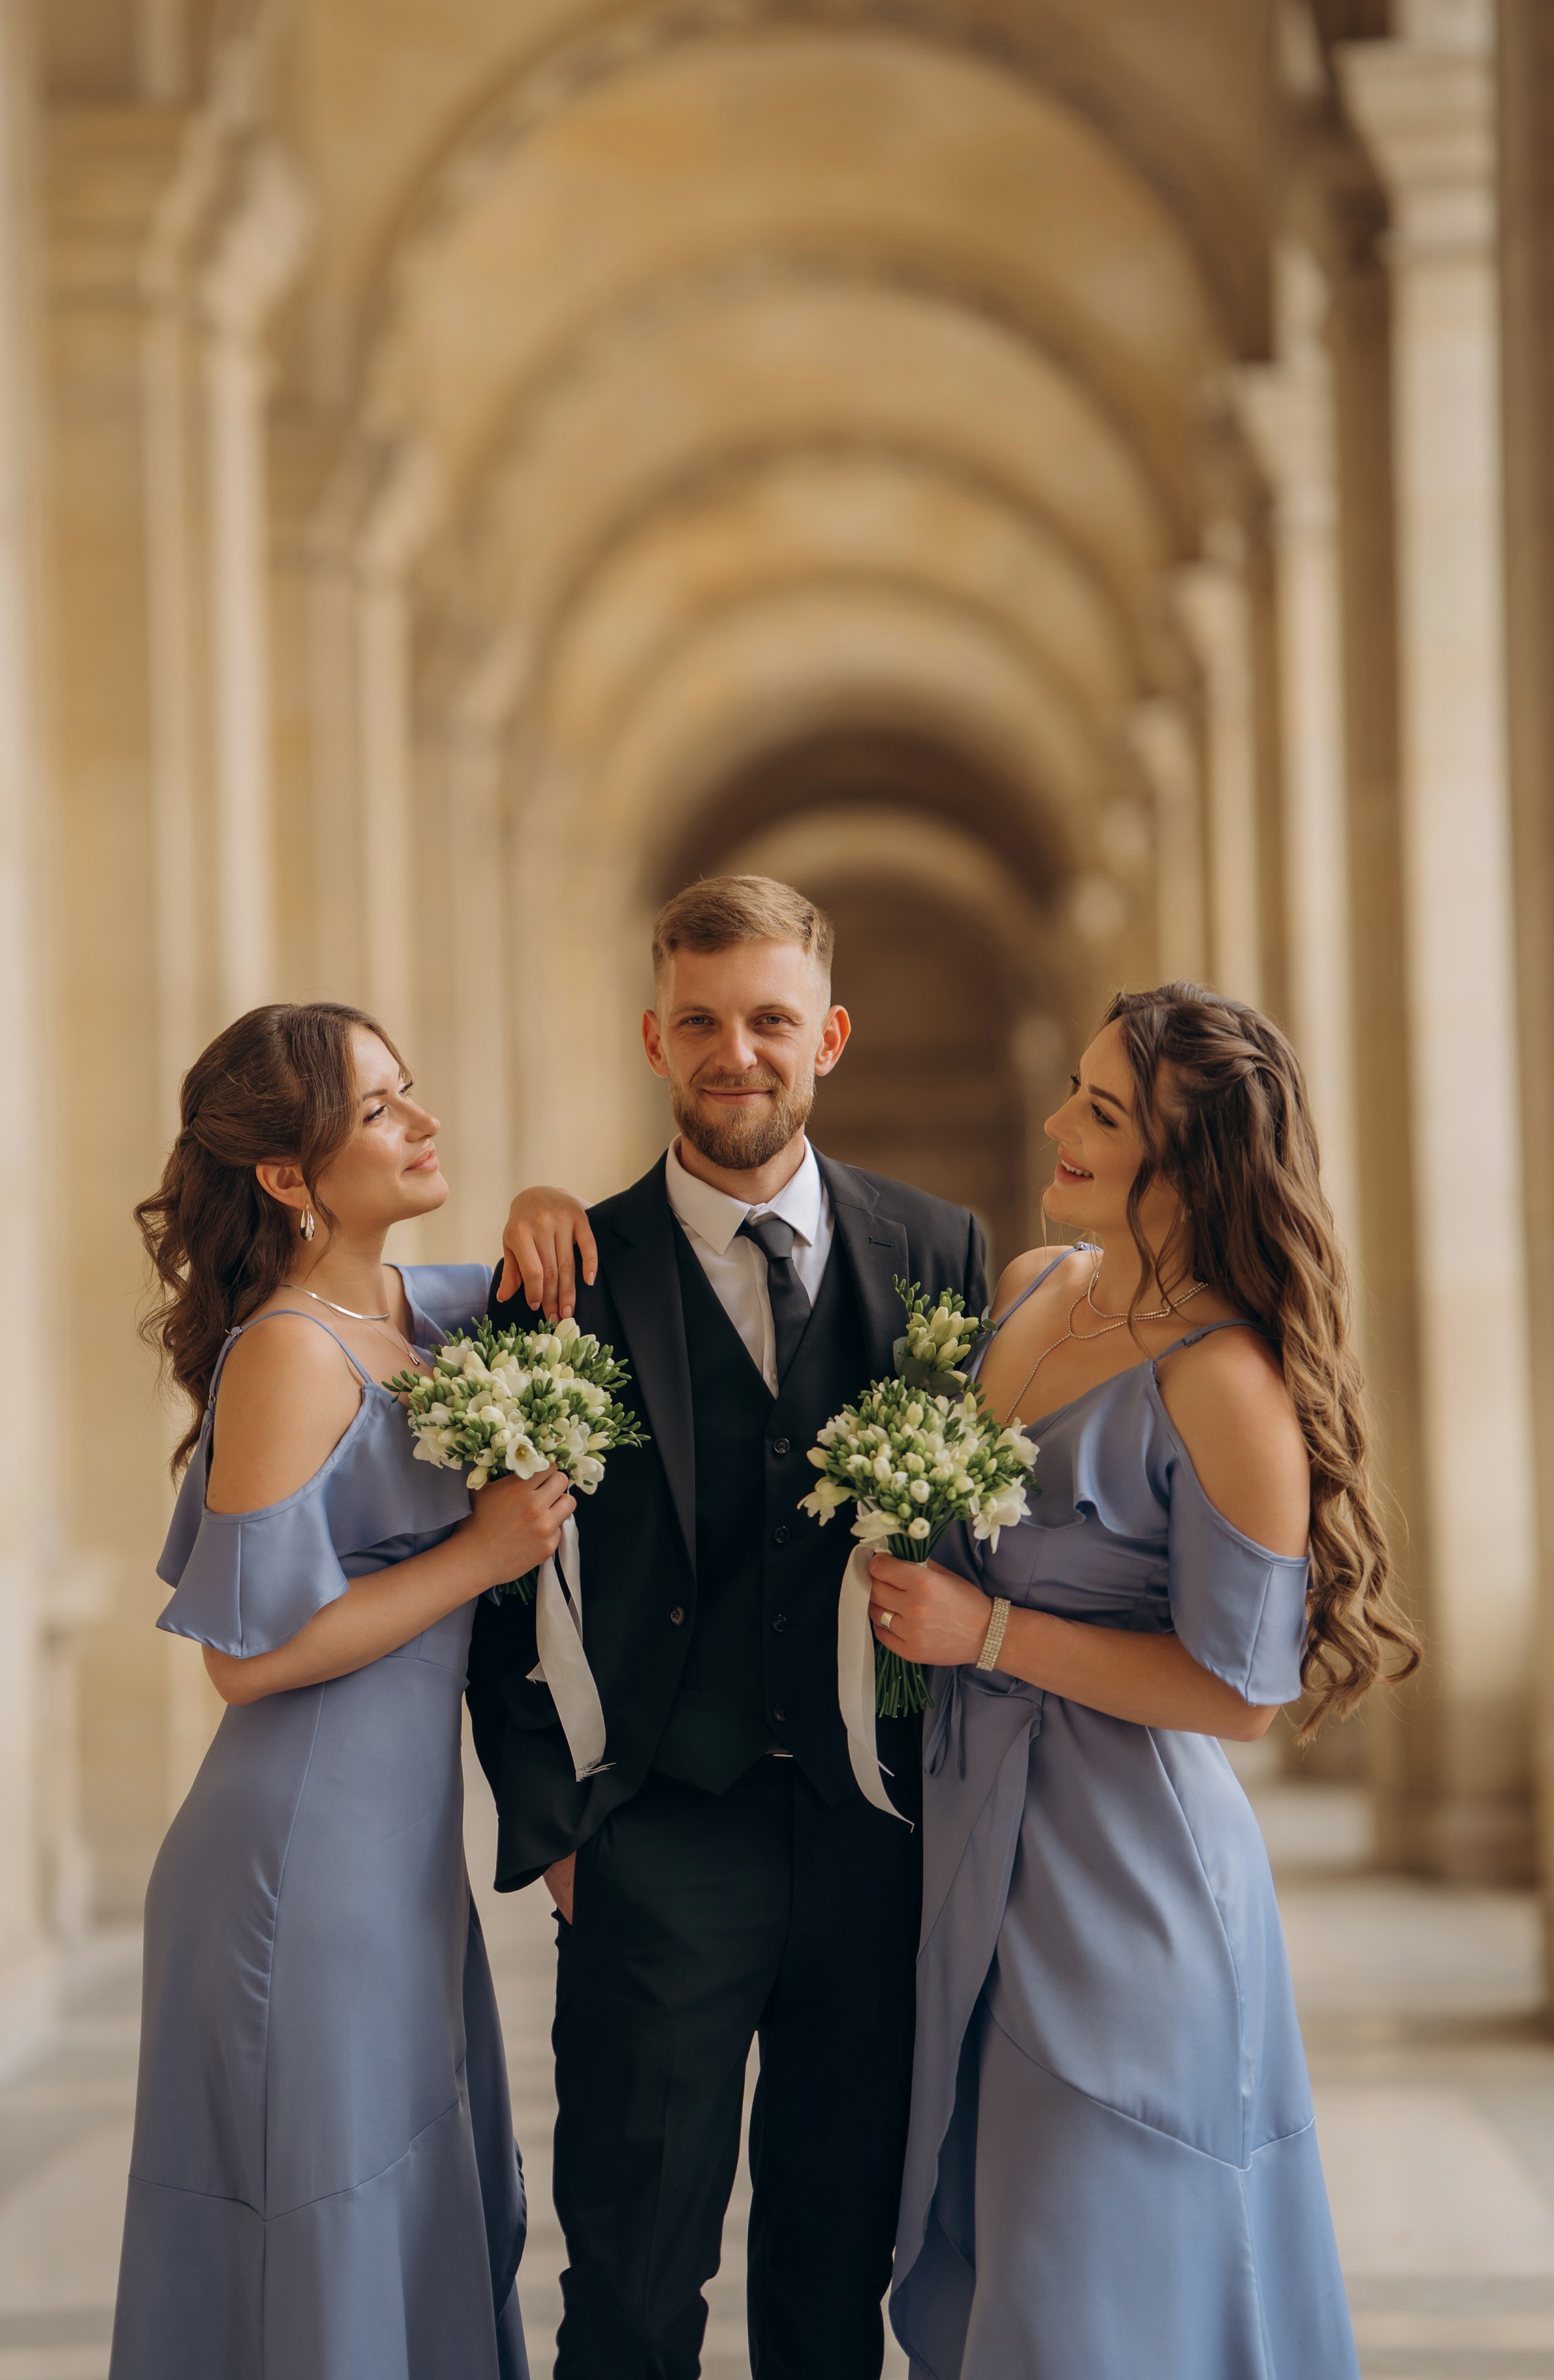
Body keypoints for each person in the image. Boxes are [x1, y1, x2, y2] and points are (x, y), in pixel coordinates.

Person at [472, 875, 989, 2380]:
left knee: (831, 2295)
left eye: (769, 1019)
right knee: (630, 2295)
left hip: (873, 1846)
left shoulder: (940, 1251)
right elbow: (498, 1578)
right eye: (698, 1022)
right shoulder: (558, 1274)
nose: (734, 1052)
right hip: (652, 1842)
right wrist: (560, 1824)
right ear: (654, 1039)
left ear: (828, 1035)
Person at [869, 982, 1417, 2380]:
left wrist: (985, 1636)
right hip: (971, 1845)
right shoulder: (1030, 1286)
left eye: (1103, 1114)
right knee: (990, 2258)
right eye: (1076, 1087)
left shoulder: (1226, 1382)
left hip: (1125, 1884)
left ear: (1190, 1168)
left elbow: (1245, 1695)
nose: (1060, 1124)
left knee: (1087, 2286)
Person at [109, 1002, 569, 2380]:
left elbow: (548, 1282)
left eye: (406, 1090)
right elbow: (243, 1658)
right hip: (297, 1866)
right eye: (378, 1111)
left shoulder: (410, 1312)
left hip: (395, 1856)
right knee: (323, 2217)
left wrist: (546, 1208)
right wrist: (478, 1554)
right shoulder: (291, 1351)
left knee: (411, 2197)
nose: (422, 1123)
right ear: (286, 1175)